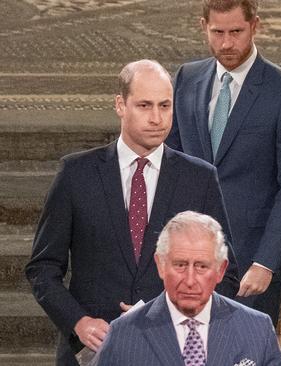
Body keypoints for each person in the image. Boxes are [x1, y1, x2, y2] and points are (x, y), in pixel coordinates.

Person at [24, 60, 239, 366]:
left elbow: (226, 274)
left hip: (173, 351)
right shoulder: (76, 174)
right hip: (90, 350)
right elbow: (43, 269)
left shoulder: (199, 178)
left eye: (165, 106)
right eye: (144, 105)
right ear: (120, 105)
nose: (156, 118)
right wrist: (79, 322)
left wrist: (177, 317)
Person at [166, 0, 281, 326]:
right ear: (202, 26)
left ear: (255, 26)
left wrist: (265, 262)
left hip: (254, 264)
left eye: (237, 32)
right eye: (218, 32)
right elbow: (170, 166)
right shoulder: (187, 79)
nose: (227, 43)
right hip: (192, 261)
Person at [96, 211, 281, 366]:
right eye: (180, 265)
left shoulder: (257, 329)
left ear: (220, 271)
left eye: (202, 266)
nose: (190, 280)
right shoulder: (123, 333)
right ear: (161, 265)